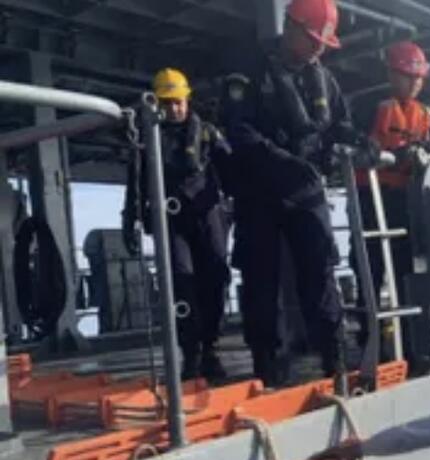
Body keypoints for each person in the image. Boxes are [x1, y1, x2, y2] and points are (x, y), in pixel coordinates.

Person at [221, 0, 368, 386]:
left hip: (306, 192)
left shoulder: (324, 80)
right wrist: (284, 160)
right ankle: (267, 368)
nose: (320, 48)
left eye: (323, 42)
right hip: (261, 194)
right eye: (315, 39)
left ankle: (335, 361)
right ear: (292, 28)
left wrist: (357, 142)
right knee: (260, 279)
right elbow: (238, 131)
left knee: (320, 274)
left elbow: (340, 124)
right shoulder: (250, 72)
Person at [122, 67, 232, 380]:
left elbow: (233, 168)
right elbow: (136, 184)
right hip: (171, 221)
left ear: (187, 100)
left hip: (209, 216)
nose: (173, 108)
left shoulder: (208, 133)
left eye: (178, 102)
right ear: (156, 103)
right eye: (166, 103)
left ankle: (211, 348)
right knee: (181, 283)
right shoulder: (146, 140)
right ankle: (191, 353)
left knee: (215, 277)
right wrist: (129, 220)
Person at [352, 40, 430, 363]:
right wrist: (390, 155)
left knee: (406, 272)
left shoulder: (426, 115)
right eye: (408, 76)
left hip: (404, 202)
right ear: (392, 74)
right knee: (369, 271)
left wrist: (425, 153)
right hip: (371, 199)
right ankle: (368, 343)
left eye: (419, 77)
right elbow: (357, 143)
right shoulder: (372, 107)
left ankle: (410, 340)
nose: (415, 83)